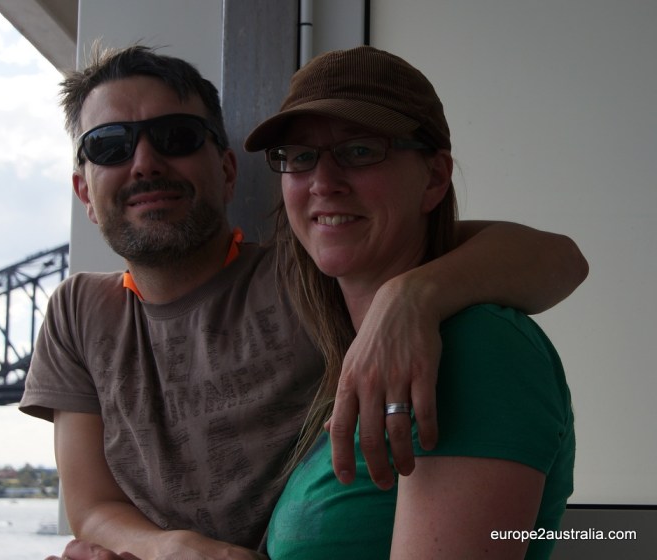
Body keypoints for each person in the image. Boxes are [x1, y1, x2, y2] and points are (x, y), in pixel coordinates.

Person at [20, 44, 587, 560]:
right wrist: (177, 551)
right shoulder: (78, 311)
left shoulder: (313, 275)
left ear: (226, 169)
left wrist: (411, 295)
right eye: (109, 146)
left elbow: (558, 258)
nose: (144, 162)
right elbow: (91, 508)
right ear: (83, 193)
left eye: (177, 137)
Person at [243, 46, 575, 559]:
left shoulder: (476, 348)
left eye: (360, 150)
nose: (323, 182)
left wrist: (411, 293)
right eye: (300, 156)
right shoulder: (357, 352)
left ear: (434, 178)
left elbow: (566, 258)